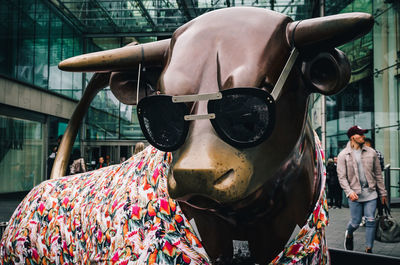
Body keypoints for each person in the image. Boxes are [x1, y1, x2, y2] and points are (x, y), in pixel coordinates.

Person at [337, 125, 387, 254]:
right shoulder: (343, 155)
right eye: (361, 134)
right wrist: (349, 192)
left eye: (364, 134)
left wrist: (383, 193)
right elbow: (342, 178)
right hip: (355, 194)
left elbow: (378, 174)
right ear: (353, 137)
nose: (364, 136)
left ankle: (368, 249)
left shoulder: (371, 152)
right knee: (355, 223)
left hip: (371, 192)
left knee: (370, 220)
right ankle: (349, 234)